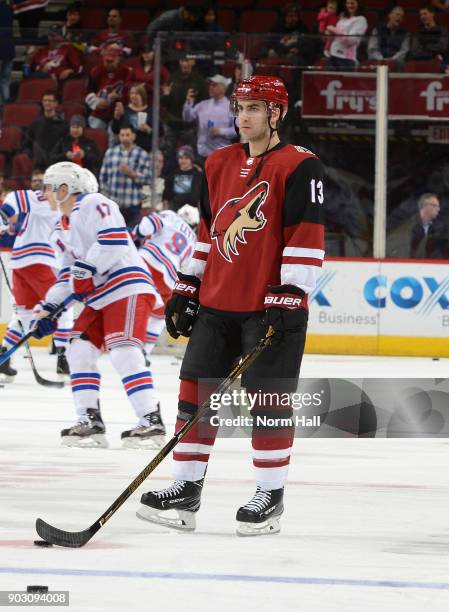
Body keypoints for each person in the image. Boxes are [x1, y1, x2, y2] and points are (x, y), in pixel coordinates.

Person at [137, 76, 325, 537]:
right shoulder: (218, 162)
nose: (243, 117)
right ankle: (185, 490)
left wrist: (291, 292)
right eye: (240, 108)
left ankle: (270, 495)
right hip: (217, 305)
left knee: (269, 402)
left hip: (270, 306)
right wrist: (187, 285)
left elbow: (306, 236)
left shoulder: (301, 165)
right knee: (194, 398)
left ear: (277, 114)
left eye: (255, 109)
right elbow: (208, 233)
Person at [31, 162, 165, 449]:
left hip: (125, 286)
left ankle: (151, 420)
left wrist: (85, 270)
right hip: (100, 297)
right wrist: (48, 308)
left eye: (48, 188)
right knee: (77, 348)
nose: (45, 194)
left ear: (64, 189)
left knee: (124, 350)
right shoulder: (59, 229)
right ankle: (90, 419)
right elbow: (67, 274)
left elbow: (114, 241)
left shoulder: (93, 202)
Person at [0, 181, 72, 379]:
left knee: (24, 314)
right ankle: (63, 358)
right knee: (64, 308)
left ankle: (4, 354)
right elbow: (16, 198)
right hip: (39, 260)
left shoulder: (66, 209)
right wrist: (3, 216)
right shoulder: (51, 199)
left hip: (21, 262)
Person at [133, 204, 197, 367]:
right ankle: (145, 351)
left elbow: (148, 224)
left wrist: (136, 233)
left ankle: (129, 345)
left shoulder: (170, 215)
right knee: (159, 316)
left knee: (132, 303)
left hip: (146, 261)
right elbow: (188, 269)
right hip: (169, 277)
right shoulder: (194, 240)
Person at [100, 125, 152, 227]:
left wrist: (133, 174)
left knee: (133, 238)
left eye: (127, 135)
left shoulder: (142, 154)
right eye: (122, 135)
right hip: (114, 204)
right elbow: (103, 177)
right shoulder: (110, 153)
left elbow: (148, 179)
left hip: (133, 205)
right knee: (115, 237)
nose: (125, 138)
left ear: (133, 136)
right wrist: (106, 196)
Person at [182, 74, 236, 162]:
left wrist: (221, 131)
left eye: (214, 85)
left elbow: (238, 130)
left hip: (221, 154)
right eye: (210, 85)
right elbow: (187, 118)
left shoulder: (231, 107)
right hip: (201, 154)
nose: (210, 87)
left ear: (224, 88)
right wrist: (188, 103)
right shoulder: (203, 104)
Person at [85, 46, 134, 130]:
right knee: (96, 129)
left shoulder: (127, 72)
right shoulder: (95, 71)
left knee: (115, 132)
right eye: (106, 61)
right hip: (100, 111)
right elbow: (88, 92)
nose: (108, 63)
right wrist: (96, 103)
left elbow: (131, 91)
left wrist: (120, 97)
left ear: (118, 59)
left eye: (111, 61)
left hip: (120, 111)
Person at [23, 91, 69, 169]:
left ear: (56, 103)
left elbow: (66, 145)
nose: (47, 103)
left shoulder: (64, 125)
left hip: (57, 164)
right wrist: (33, 156)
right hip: (39, 164)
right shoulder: (35, 123)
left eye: (50, 101)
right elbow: (26, 144)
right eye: (45, 101)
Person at [111, 84, 154, 152]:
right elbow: (115, 130)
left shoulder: (151, 111)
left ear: (143, 95)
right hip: (126, 148)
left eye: (137, 94)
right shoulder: (124, 110)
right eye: (132, 93)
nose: (134, 96)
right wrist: (116, 117)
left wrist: (149, 130)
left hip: (145, 148)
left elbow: (160, 132)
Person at [326, 0, 368, 70]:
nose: (349, 5)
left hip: (346, 59)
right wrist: (329, 34)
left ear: (358, 4)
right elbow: (336, 37)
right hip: (332, 55)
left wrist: (334, 30)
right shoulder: (342, 17)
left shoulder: (361, 20)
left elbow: (351, 39)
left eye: (352, 3)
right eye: (347, 3)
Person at [163, 145, 202, 212]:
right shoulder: (172, 174)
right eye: (181, 158)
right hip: (174, 210)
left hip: (193, 211)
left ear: (191, 159)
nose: (183, 161)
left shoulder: (198, 175)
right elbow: (166, 193)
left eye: (186, 158)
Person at [409, 193, 447, 258]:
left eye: (438, 206)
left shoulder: (439, 229)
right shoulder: (408, 227)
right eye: (435, 206)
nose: (438, 209)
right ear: (424, 206)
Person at [0, 0, 14, 105]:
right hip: (8, 49)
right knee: (5, 80)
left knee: (4, 80)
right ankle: (5, 106)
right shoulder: (8, 8)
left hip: (4, 49)